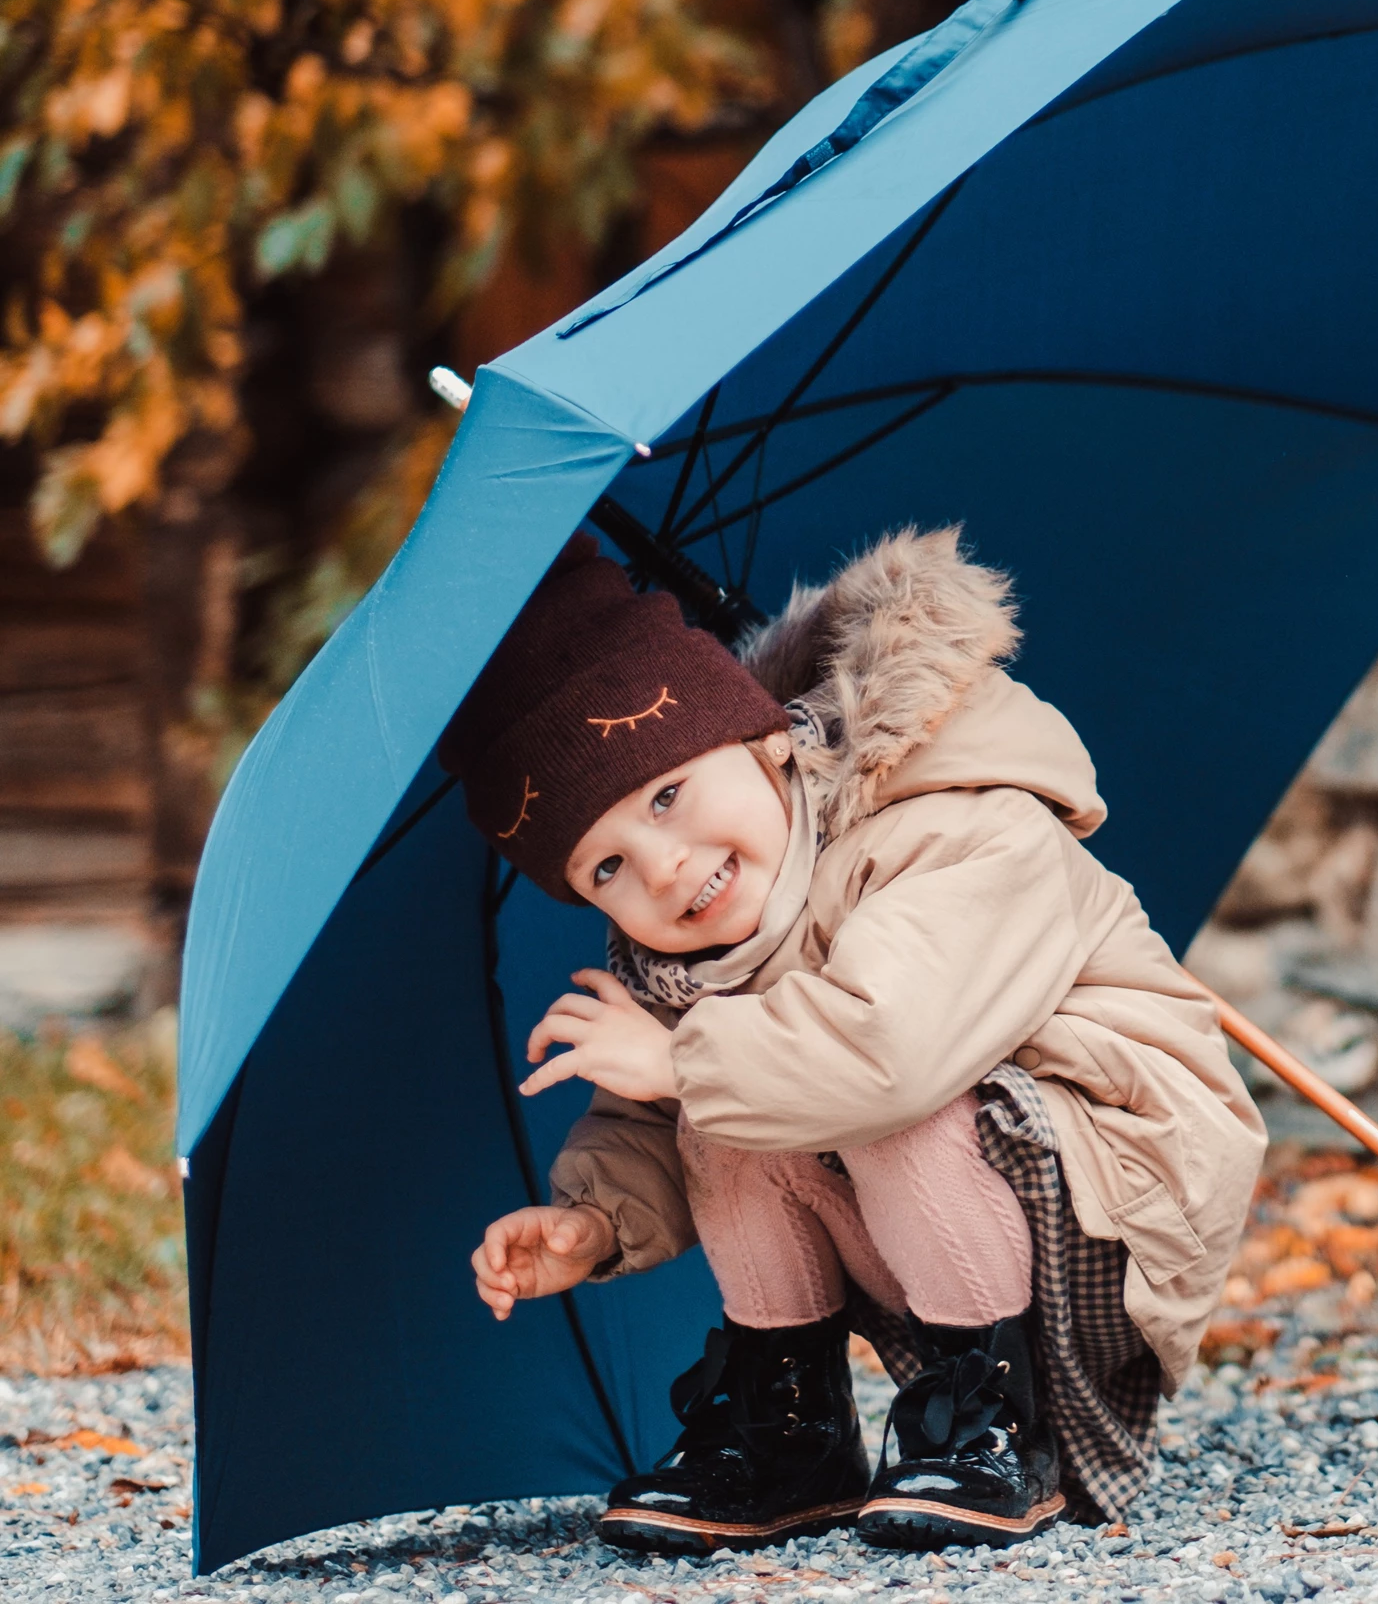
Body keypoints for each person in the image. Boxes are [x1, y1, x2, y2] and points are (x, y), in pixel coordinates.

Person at [442, 526, 1265, 1556]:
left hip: (1121, 1188)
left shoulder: (955, 824)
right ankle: (791, 1428)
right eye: (606, 867)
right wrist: (594, 1221)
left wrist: (684, 1061)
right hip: (948, 1206)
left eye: (668, 796)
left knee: (817, 1089)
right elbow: (663, 1109)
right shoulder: (686, 961)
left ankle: (991, 1422)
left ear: (766, 740)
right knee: (729, 1102)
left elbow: (891, 1051)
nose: (663, 867)